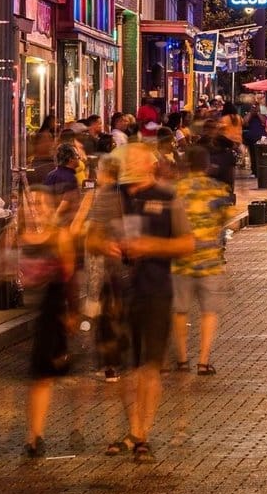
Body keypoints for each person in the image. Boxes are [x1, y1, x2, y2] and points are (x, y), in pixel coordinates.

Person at [88, 143, 193, 463]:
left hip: (156, 291)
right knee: (126, 367)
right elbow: (89, 237)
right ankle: (133, 429)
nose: (132, 167)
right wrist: (106, 246)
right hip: (119, 292)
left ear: (152, 166)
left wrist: (152, 246)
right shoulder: (111, 196)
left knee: (150, 366)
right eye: (127, 161)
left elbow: (187, 243)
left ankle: (142, 433)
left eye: (138, 162)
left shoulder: (167, 197)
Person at [19, 184, 76, 455]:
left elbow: (70, 276)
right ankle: (34, 433)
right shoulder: (23, 235)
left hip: (51, 310)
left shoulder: (60, 236)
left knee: (43, 375)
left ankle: (35, 435)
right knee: (40, 376)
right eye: (33, 203)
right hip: (28, 312)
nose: (37, 209)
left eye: (42, 203)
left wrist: (73, 312)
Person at [170, 146, 233, 377]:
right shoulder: (219, 190)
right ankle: (204, 361)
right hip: (210, 261)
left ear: (186, 164)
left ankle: (182, 359)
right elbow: (225, 222)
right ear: (207, 165)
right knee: (209, 312)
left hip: (181, 259)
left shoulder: (175, 190)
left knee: (180, 310)